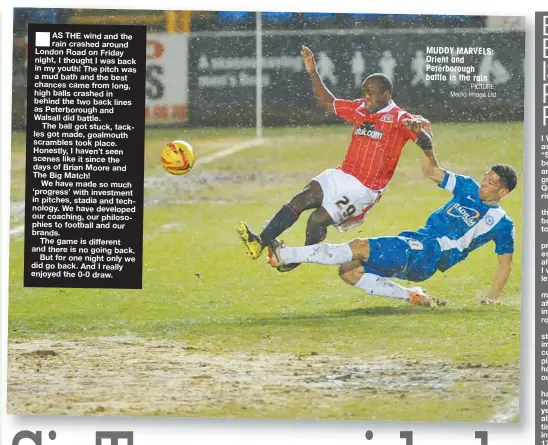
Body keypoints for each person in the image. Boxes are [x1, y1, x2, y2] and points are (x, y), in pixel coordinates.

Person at [266, 119, 517, 307]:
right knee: (349, 271)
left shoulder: (502, 223)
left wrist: (492, 298)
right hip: (418, 243)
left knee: (359, 246)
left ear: (503, 191)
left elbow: (504, 264)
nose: (483, 183)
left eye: (491, 181)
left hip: (431, 252)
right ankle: (412, 296)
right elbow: (432, 171)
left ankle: (285, 255)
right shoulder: (468, 188)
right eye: (485, 177)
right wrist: (425, 144)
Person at [237, 46, 433, 273]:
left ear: (386, 94)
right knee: (300, 201)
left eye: (370, 93)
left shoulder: (401, 119)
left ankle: (296, 258)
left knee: (316, 221)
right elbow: (329, 103)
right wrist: (313, 73)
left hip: (363, 190)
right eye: (364, 92)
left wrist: (419, 132)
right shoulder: (361, 109)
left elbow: (426, 142)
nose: (365, 97)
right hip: (341, 175)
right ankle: (259, 242)